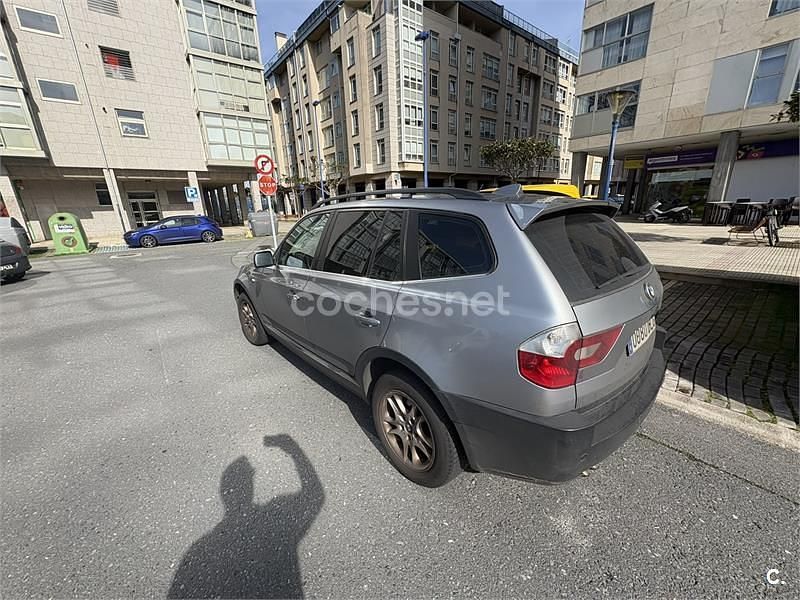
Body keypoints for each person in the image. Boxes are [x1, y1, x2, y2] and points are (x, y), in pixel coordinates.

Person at [168, 435, 324, 599]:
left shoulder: (198, 550)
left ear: (224, 493)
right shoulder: (273, 518)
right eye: (251, 475)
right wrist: (293, 450)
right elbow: (314, 495)